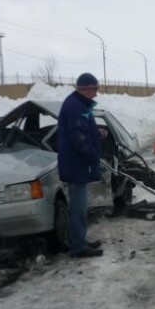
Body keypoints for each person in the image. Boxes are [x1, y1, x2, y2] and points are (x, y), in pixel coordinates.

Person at [57, 73, 104, 258]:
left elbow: (81, 131)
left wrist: (95, 132)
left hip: (76, 164)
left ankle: (80, 240)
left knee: (80, 206)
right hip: (77, 165)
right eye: (94, 89)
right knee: (78, 207)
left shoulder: (77, 105)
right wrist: (93, 157)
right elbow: (79, 139)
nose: (95, 94)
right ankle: (78, 247)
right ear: (84, 88)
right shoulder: (75, 107)